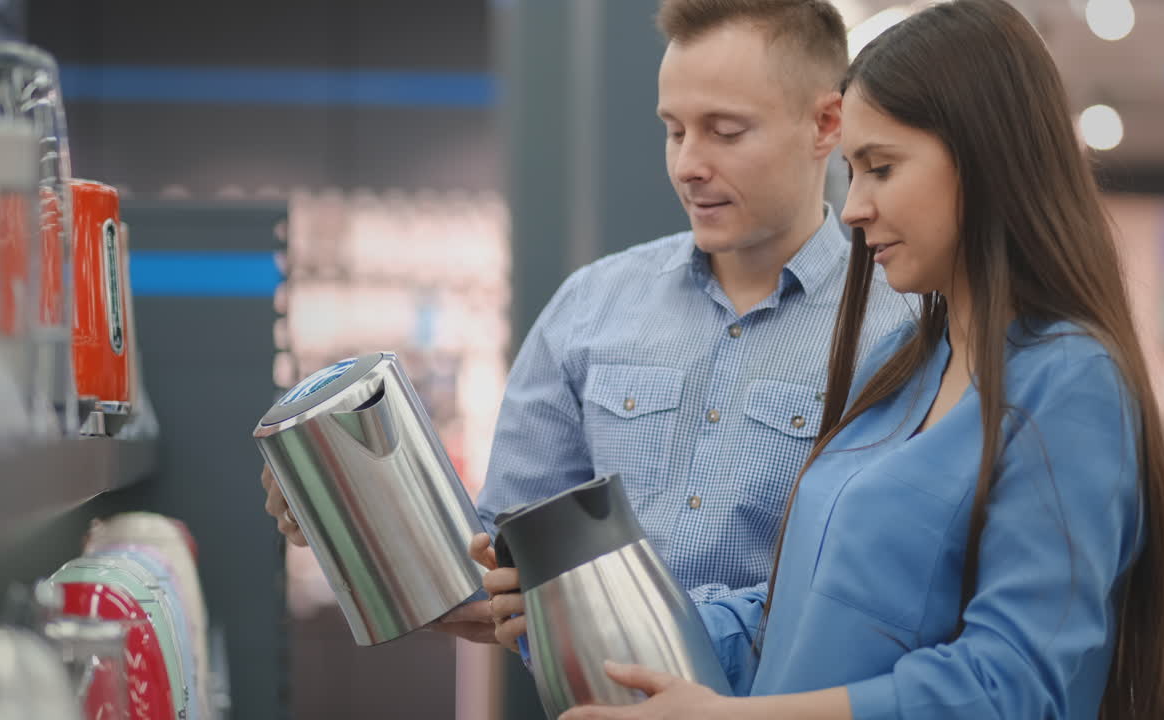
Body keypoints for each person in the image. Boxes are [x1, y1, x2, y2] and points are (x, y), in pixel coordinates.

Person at [556, 1, 1164, 718]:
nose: (854, 207)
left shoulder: (1070, 381)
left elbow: (1013, 685)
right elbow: (797, 610)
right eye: (853, 171)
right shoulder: (904, 363)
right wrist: (584, 613)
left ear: (985, 157)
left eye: (881, 168)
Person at [260, 0, 912, 646]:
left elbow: (886, 596)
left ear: (826, 123)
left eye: (726, 131)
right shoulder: (592, 309)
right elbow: (496, 573)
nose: (689, 164)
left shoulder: (902, 324)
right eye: (674, 130)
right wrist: (350, 515)